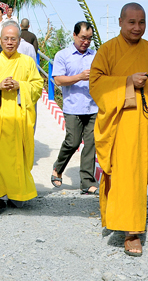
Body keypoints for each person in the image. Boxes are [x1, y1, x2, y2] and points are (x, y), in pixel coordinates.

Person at [89, 3, 148, 257]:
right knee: (124, 176)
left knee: (136, 176)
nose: (137, 27)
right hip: (118, 125)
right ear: (120, 22)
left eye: (142, 22)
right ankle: (132, 233)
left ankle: (119, 218)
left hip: (145, 125)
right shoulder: (107, 50)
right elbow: (96, 83)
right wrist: (127, 82)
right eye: (131, 22)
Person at [0, 20, 43, 209]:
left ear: (19, 41)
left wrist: (20, 86)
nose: (9, 42)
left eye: (13, 39)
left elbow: (37, 86)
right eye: (6, 39)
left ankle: (18, 194)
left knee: (18, 158)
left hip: (19, 118)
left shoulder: (27, 62)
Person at [51, 22, 98, 195]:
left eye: (89, 39)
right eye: (83, 38)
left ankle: (87, 182)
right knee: (73, 142)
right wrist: (79, 77)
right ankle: (58, 168)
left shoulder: (96, 56)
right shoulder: (63, 55)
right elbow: (58, 80)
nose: (86, 42)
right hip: (73, 106)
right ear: (74, 35)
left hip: (93, 107)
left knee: (91, 144)